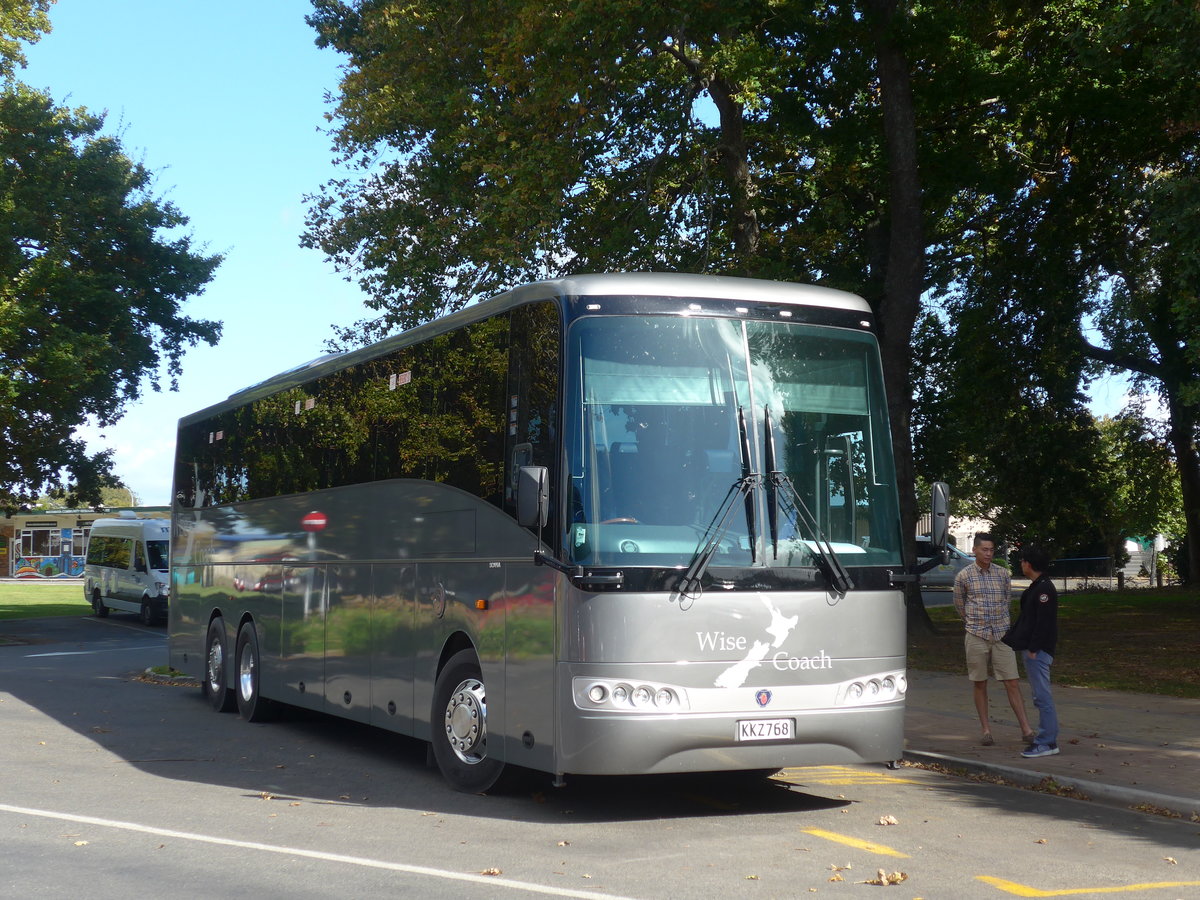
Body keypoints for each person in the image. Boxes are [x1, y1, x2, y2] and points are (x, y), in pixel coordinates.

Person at [953, 532, 1033, 746]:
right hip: (976, 634)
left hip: (1001, 635)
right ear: (975, 550)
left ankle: (1026, 729)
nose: (989, 554)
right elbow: (960, 605)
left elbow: (1007, 601)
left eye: (991, 550)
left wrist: (1002, 624)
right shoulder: (964, 576)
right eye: (984, 550)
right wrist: (973, 622)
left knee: (1012, 681)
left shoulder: (1002, 574)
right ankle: (986, 730)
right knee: (979, 682)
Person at [1003, 545, 1060, 758]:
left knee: (1042, 696)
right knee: (1040, 696)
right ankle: (1046, 739)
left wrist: (1034, 648)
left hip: (1038, 651)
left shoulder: (1043, 590)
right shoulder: (1038, 587)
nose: (1021, 564)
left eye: (1023, 561)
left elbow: (1043, 623)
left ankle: (1047, 741)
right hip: (1033, 649)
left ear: (1029, 564)